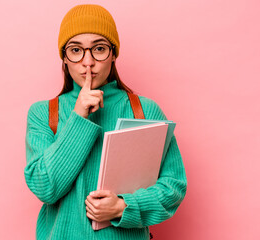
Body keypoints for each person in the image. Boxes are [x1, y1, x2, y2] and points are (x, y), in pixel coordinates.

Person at [24, 4, 187, 240]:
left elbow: (173, 186)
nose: (88, 62)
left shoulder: (144, 110)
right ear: (64, 57)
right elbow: (46, 188)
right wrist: (78, 116)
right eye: (76, 50)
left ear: (113, 54)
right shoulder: (43, 114)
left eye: (99, 49)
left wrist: (123, 207)